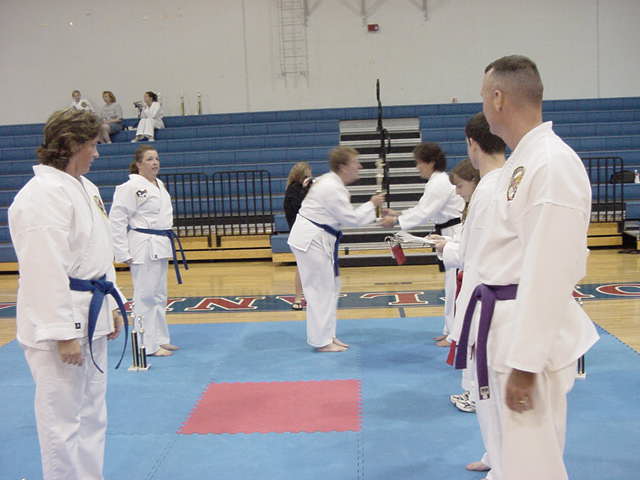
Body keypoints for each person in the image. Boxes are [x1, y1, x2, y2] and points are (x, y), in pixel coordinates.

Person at [454, 55, 599, 480]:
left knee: (533, 466)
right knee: (512, 459)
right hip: (504, 324)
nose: (483, 105)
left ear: (498, 98)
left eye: (484, 96)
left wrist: (526, 361)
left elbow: (552, 268)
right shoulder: (523, 161)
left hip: (525, 332)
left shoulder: (551, 163)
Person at [8, 108, 126, 480]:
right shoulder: (40, 195)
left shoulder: (85, 188)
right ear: (72, 144)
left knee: (93, 415)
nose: (97, 153)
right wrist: (62, 333)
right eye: (92, 144)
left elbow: (100, 253)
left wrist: (113, 306)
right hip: (60, 325)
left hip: (92, 310)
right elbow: (42, 268)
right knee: (62, 422)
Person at [433, 112, 506, 476]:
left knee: (491, 394)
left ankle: (503, 467)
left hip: (494, 303)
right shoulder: (502, 183)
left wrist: (447, 248)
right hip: (492, 299)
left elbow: (474, 255)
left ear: (472, 144)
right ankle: (495, 457)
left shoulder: (491, 190)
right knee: (485, 392)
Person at [288, 146, 385, 352]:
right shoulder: (332, 187)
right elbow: (351, 220)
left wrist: (375, 211)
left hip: (316, 238)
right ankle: (322, 341)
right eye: (355, 163)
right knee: (320, 291)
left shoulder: (331, 183)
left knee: (330, 288)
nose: (360, 166)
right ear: (343, 167)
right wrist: (372, 204)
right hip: (311, 240)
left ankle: (328, 335)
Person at [380, 142, 465, 346]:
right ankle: (449, 330)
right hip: (447, 232)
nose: (417, 167)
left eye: (419, 163)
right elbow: (423, 209)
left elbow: (424, 212)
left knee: (455, 286)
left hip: (455, 234)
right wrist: (398, 214)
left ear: (431, 162)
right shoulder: (437, 181)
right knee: (450, 286)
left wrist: (396, 221)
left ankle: (455, 335)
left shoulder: (439, 182)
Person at [109, 145, 183, 357]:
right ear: (139, 164)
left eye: (157, 158)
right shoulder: (130, 187)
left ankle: (160, 339)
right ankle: (146, 345)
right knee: (145, 296)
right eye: (150, 159)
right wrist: (121, 251)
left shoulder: (159, 185)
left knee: (159, 295)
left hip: (159, 243)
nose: (155, 162)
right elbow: (117, 219)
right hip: (142, 244)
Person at [283, 161, 313, 310]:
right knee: (302, 266)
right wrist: (306, 190)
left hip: (308, 231)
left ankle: (308, 296)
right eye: (308, 174)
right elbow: (299, 208)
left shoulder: (303, 189)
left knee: (310, 266)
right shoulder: (293, 190)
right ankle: (298, 297)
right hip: (300, 232)